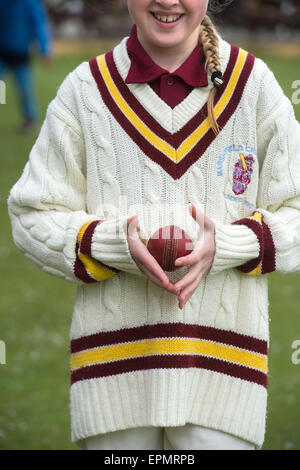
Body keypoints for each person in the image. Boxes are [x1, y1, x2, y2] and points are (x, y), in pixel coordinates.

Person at [7, 0, 300, 450]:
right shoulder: (84, 90)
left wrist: (229, 245)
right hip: (113, 374)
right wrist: (109, 244)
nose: (167, 1)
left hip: (222, 374)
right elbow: (31, 213)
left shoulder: (254, 85)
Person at [0, 0, 52, 132]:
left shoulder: (31, 4)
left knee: (24, 89)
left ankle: (30, 120)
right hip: (3, 52)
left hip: (21, 54)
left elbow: (39, 26)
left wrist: (44, 50)